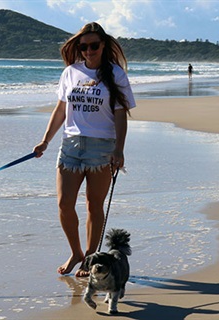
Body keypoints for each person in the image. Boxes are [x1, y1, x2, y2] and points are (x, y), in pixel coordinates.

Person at [33, 22, 136, 277]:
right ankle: (76, 252)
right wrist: (45, 140)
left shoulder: (116, 74)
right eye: (84, 46)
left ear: (103, 45)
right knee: (64, 204)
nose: (88, 50)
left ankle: (90, 258)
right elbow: (61, 110)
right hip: (70, 145)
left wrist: (119, 150)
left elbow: (121, 115)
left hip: (102, 147)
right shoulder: (70, 72)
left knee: (94, 205)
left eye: (94, 45)